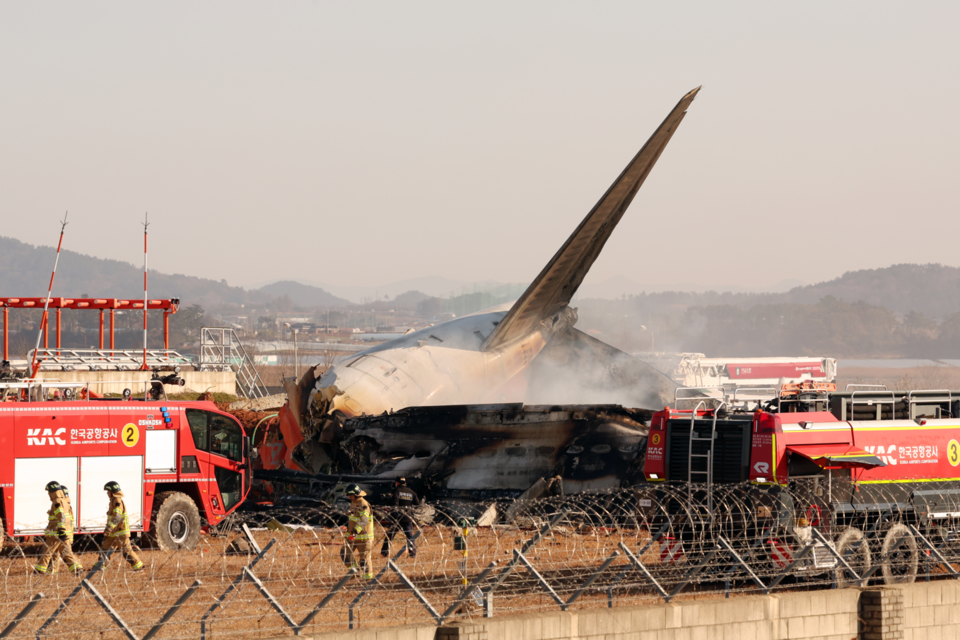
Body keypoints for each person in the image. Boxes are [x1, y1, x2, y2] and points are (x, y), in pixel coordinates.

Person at [35, 481, 83, 574]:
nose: (48, 494)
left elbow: (61, 516)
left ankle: (40, 570)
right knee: (65, 552)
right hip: (62, 533)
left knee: (47, 552)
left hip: (56, 533)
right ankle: (76, 569)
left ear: (53, 492)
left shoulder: (57, 502)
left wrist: (61, 530)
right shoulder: (64, 501)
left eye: (49, 492)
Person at [102, 481, 144, 571]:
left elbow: (117, 516)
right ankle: (100, 567)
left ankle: (139, 567)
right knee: (105, 550)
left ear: (112, 491)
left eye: (108, 491)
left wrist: (109, 528)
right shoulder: (112, 501)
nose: (107, 493)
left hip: (121, 532)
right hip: (113, 532)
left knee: (126, 552)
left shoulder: (117, 500)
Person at [381, 477, 420, 558]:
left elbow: (395, 503)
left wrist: (395, 514)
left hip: (397, 517)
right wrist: (410, 511)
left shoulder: (396, 490)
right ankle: (413, 553)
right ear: (405, 483)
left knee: (390, 535)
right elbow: (417, 504)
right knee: (410, 536)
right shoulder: (411, 492)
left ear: (397, 483)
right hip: (408, 517)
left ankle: (384, 552)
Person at [345, 484, 374, 580]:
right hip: (353, 537)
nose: (349, 497)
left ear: (356, 494)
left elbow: (364, 520)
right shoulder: (354, 502)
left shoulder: (363, 503)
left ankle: (367, 579)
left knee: (364, 560)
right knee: (344, 553)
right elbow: (354, 517)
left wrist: (354, 533)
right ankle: (355, 571)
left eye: (351, 495)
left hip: (363, 538)